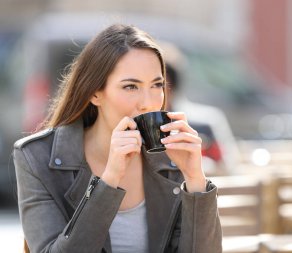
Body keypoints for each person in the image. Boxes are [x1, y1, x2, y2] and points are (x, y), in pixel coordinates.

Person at [13, 24, 222, 253]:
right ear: (95, 93)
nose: (148, 102)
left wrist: (195, 181)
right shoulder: (35, 158)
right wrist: (109, 180)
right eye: (131, 86)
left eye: (157, 85)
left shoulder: (170, 157)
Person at [161, 42, 240, 174]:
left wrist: (198, 165)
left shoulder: (206, 122)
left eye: (158, 84)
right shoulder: (136, 126)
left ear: (171, 85)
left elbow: (226, 167)